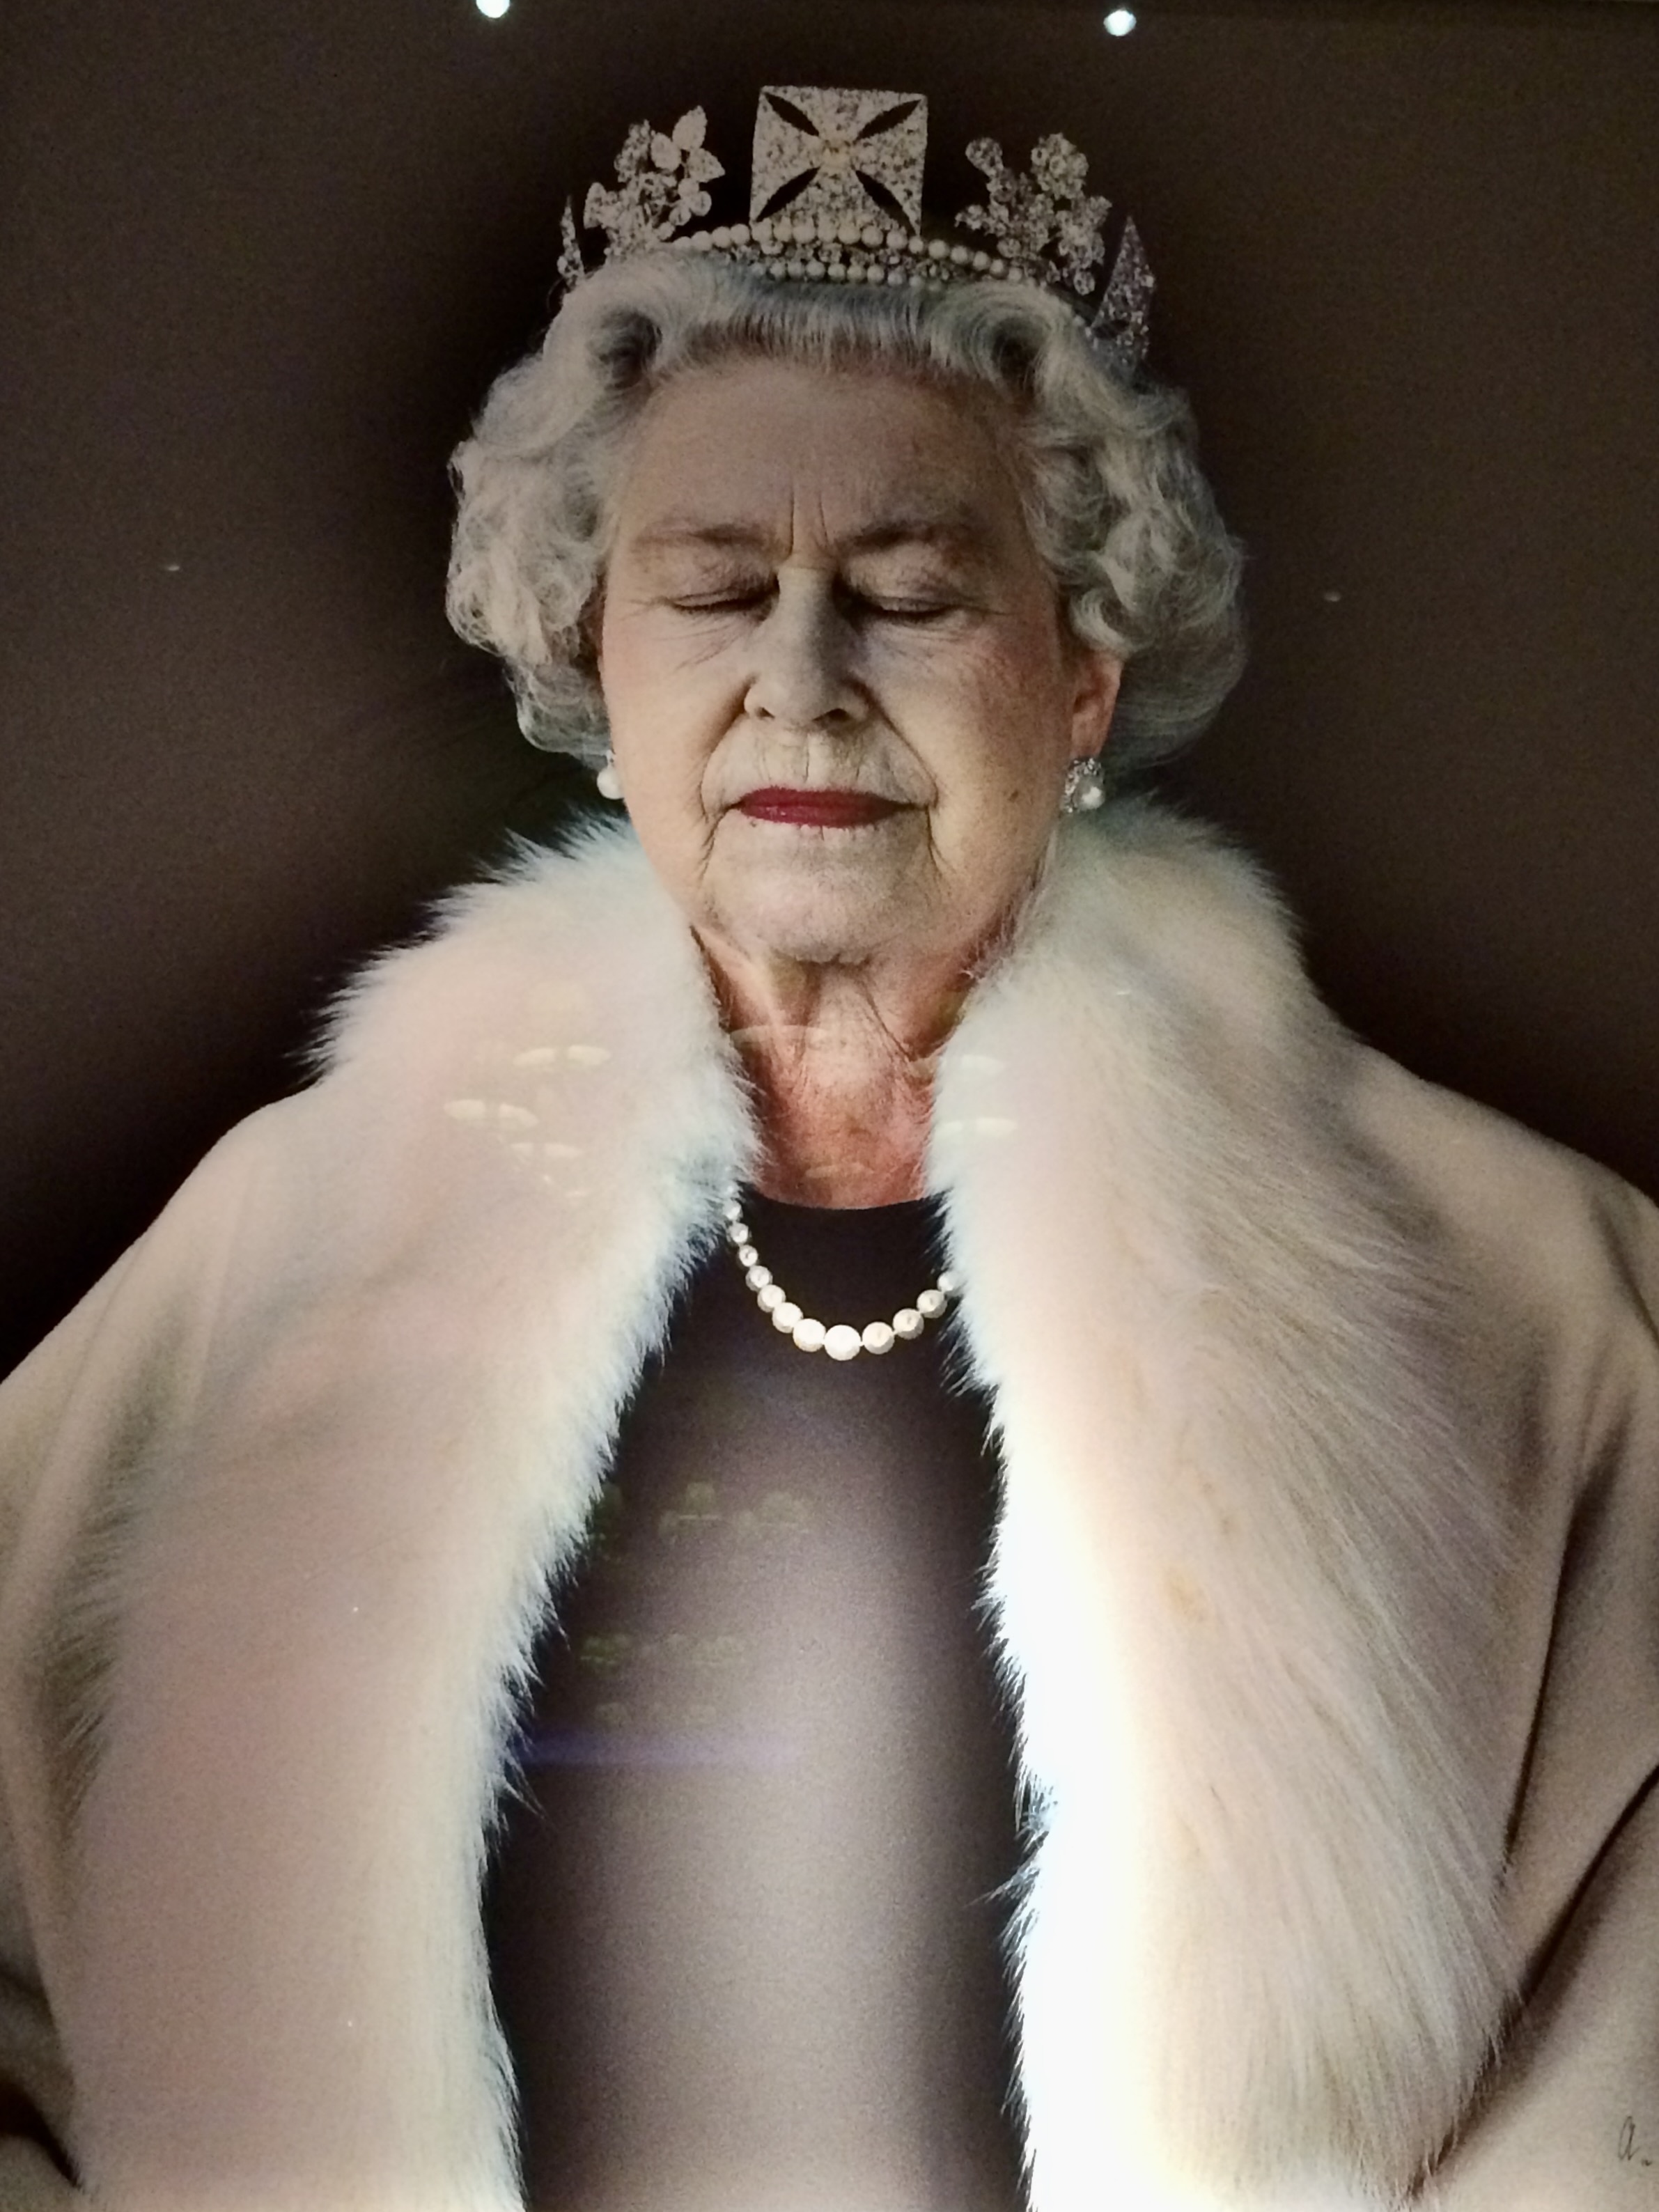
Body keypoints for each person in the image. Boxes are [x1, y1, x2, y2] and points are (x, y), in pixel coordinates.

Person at [0, 84, 1656, 2212]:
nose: (802, 680)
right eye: (713, 588)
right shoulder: (289, 1244)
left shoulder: (1518, 1289)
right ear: (592, 656)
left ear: (1081, 673)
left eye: (911, 591)